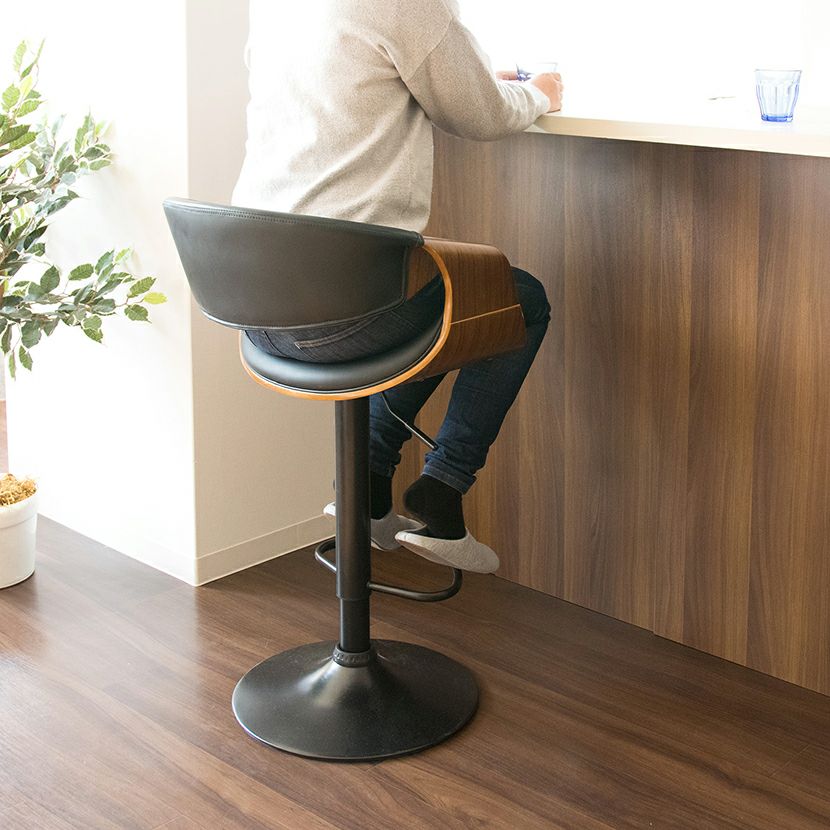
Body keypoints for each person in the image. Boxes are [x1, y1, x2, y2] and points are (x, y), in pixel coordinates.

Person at [233, 0, 563, 573]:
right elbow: (482, 117)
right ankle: (443, 487)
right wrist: (540, 94)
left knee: (442, 304)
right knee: (515, 301)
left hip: (253, 305)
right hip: (343, 313)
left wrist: (479, 80)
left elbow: (359, 80)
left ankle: (367, 479)